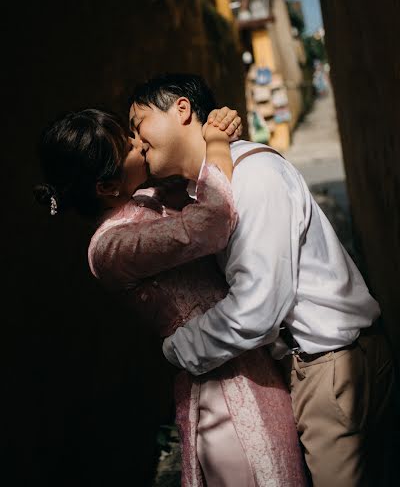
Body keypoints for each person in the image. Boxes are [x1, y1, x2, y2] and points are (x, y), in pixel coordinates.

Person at [130, 73, 395, 487]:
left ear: (181, 109)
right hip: (330, 363)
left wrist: (179, 349)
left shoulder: (253, 177)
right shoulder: (210, 189)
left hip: (331, 368)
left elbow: (258, 307)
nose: (137, 141)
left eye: (138, 123)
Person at [34, 107, 307, 487]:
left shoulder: (145, 199)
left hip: (247, 358)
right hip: (221, 385)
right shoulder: (112, 247)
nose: (138, 142)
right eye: (127, 144)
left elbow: (191, 176)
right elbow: (211, 223)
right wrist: (215, 144)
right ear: (107, 188)